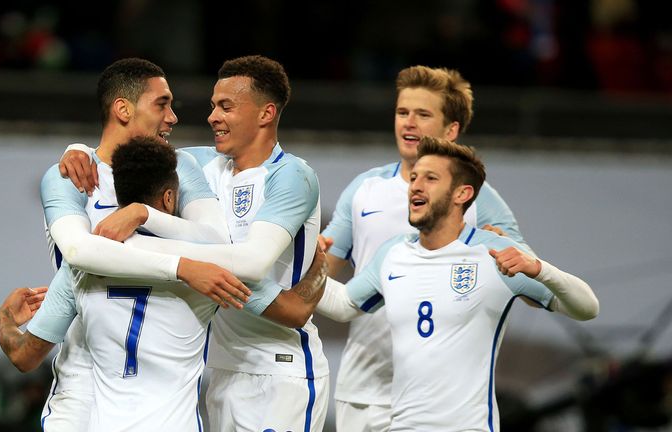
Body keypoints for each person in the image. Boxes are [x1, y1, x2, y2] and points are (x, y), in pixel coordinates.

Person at [60, 55, 330, 432]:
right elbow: (132, 145)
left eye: (226, 106)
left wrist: (141, 227)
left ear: (266, 114)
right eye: (213, 106)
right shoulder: (199, 165)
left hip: (277, 371)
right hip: (216, 369)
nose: (212, 117)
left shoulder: (291, 176)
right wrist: (78, 150)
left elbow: (252, 264)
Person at [0, 136, 328, 431]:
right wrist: (319, 267)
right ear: (170, 198)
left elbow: (25, 356)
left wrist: (6, 323)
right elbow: (294, 310)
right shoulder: (207, 268)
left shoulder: (82, 264)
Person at [0, 57, 254, 432]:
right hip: (83, 381)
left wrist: (140, 214)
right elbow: (79, 250)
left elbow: (217, 239)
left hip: (137, 369)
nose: (173, 118)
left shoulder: (178, 164)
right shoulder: (71, 175)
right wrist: (180, 263)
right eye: (162, 104)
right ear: (122, 108)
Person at [317, 136, 599, 431]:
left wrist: (541, 270)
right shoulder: (393, 253)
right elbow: (344, 304)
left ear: (462, 193)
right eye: (414, 177)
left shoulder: (495, 253)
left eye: (430, 178)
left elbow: (587, 308)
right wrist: (308, 271)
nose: (415, 185)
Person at [321, 65, 528, 432]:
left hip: (443, 402)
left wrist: (510, 252)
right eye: (402, 112)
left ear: (451, 130)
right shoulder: (364, 189)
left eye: (423, 114)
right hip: (364, 392)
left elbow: (528, 279)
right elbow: (325, 274)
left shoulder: (481, 200)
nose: (408, 123)